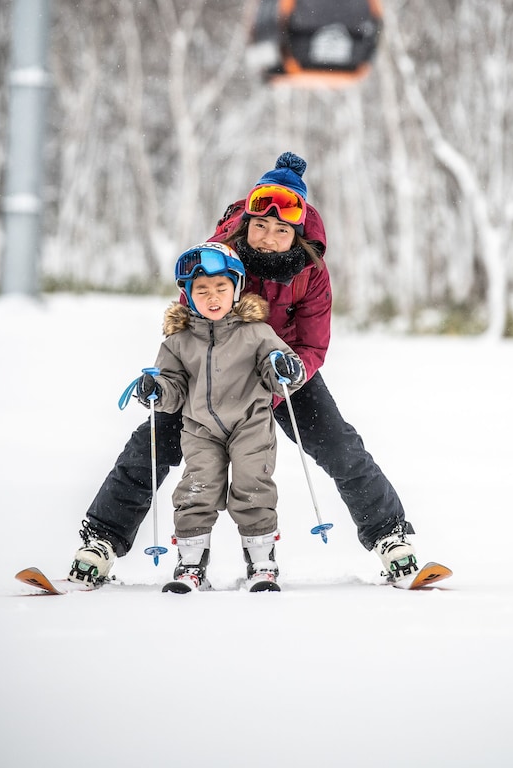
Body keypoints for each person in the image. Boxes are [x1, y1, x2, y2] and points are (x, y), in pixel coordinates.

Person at [69, 152, 417, 588]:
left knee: (339, 446)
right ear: (246, 223)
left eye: (281, 230)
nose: (268, 238)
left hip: (280, 374)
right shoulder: (214, 258)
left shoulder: (311, 273)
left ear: (297, 234)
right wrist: (171, 384)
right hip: (209, 375)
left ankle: (391, 537)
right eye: (261, 226)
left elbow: (312, 345)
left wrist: (279, 379)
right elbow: (190, 324)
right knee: (151, 445)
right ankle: (100, 541)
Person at [131, 241, 305, 594]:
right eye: (202, 290)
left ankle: (262, 564)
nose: (212, 297)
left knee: (252, 485)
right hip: (200, 430)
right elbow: (173, 387)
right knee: (197, 489)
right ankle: (191, 566)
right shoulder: (178, 341)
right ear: (188, 294)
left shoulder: (257, 332)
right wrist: (156, 390)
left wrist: (286, 369)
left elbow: (281, 374)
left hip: (250, 423)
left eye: (221, 287)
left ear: (236, 288)